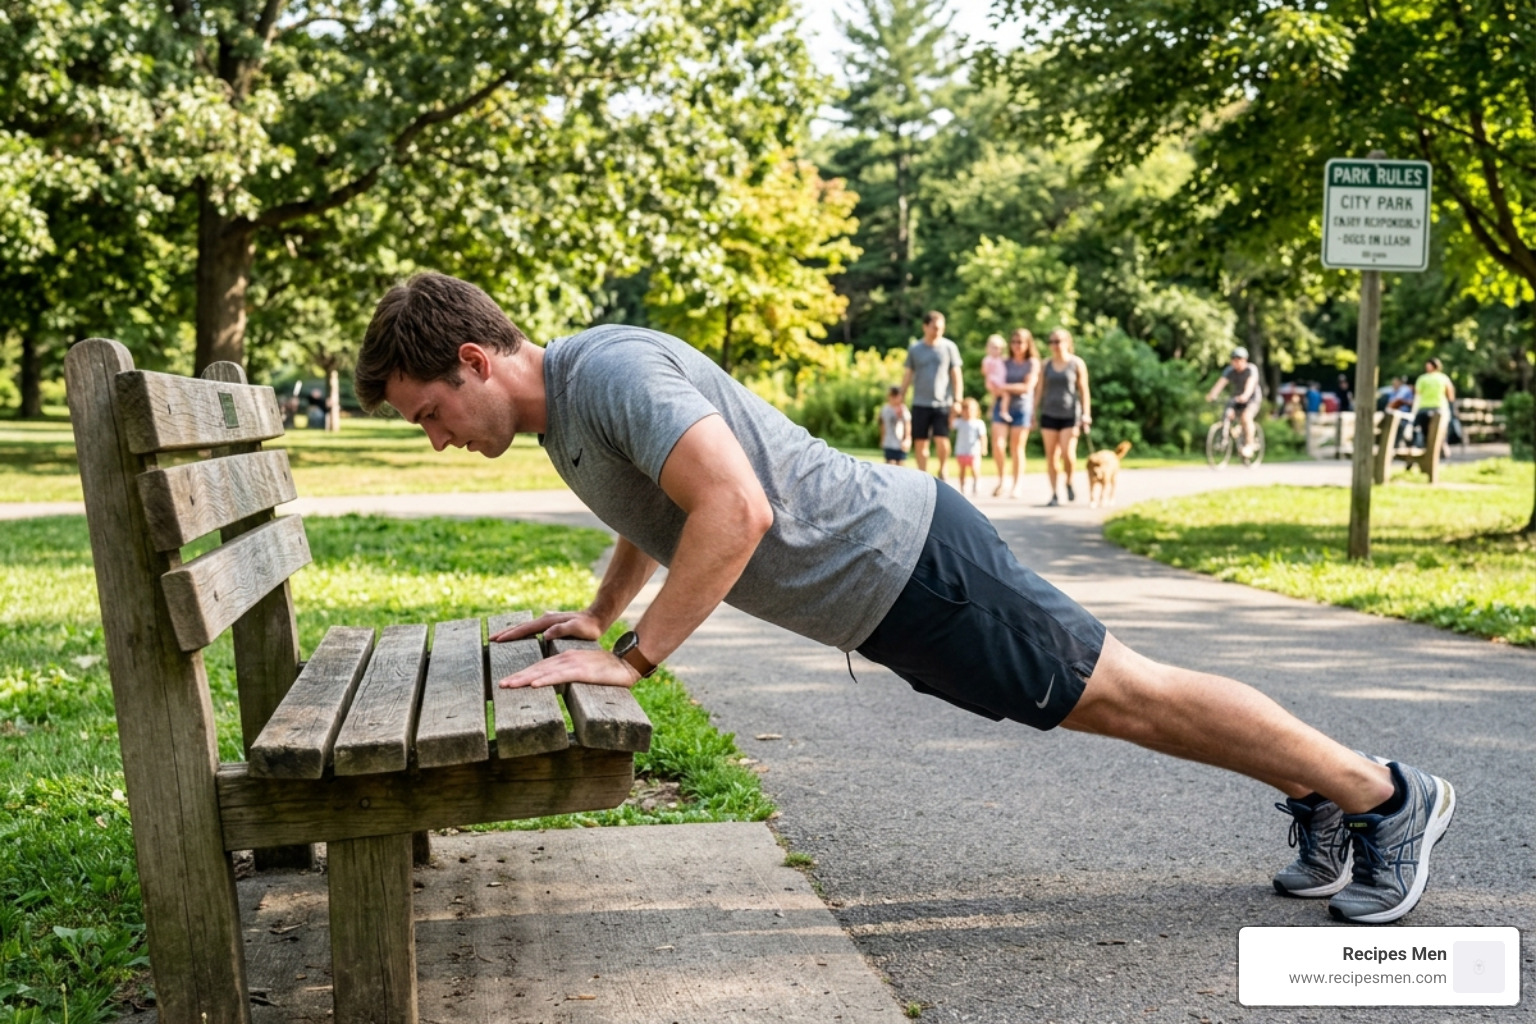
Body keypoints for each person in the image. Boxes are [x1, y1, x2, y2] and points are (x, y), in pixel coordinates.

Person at [353, 272, 1456, 926]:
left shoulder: (611, 374)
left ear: (473, 360)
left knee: (1132, 695)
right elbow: (665, 512)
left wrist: (634, 660)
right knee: (1121, 701)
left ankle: (1383, 794)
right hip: (891, 588)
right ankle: (1325, 792)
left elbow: (734, 512)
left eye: (428, 413)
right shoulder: (571, 414)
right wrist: (600, 614)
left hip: (916, 565)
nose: (437, 436)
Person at [900, 311, 964, 481]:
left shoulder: (949, 347)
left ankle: (943, 469)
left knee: (942, 440)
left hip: (943, 402)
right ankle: (924, 476)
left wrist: (958, 400)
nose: (938, 331)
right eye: (935, 328)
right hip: (920, 402)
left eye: (941, 328)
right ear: (925, 327)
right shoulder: (915, 349)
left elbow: (956, 375)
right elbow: (908, 374)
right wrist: (901, 396)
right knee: (920, 442)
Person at [1033, 328, 1090, 506]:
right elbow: (1039, 390)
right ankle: (1054, 493)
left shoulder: (1076, 363)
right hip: (1049, 413)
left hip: (1070, 415)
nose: (1055, 345)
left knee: (1068, 454)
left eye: (1058, 341)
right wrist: (1033, 413)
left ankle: (1069, 482)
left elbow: (1084, 391)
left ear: (1067, 342)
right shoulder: (1045, 365)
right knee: (1051, 456)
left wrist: (1086, 414)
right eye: (1052, 342)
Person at [992, 329, 1040, 499]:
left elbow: (1027, 387)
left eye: (1020, 342)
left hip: (1022, 408)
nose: (1017, 345)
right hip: (1001, 406)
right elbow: (992, 383)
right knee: (998, 445)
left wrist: (1004, 387)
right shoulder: (1003, 362)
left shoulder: (1032, 363)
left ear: (1028, 344)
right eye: (1014, 342)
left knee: (1017, 447)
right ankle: (1002, 480)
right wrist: (1002, 388)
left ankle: (1017, 484)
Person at [1206, 347, 1262, 459]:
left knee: (1246, 417)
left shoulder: (1251, 369)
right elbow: (1221, 383)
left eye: (1239, 360)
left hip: (1252, 398)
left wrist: (1246, 395)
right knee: (1227, 413)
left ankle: (1249, 445)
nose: (1236, 362)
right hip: (1237, 397)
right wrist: (1212, 395)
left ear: (1245, 360)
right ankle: (1225, 438)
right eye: (1234, 359)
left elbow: (1250, 384)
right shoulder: (1230, 371)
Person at [1411, 358, 1456, 453]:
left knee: (1421, 430)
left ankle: (1421, 447)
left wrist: (1414, 410)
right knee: (1442, 428)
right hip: (1440, 407)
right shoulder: (1444, 378)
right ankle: (1443, 445)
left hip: (1423, 408)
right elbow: (1451, 395)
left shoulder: (1422, 378)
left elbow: (1417, 394)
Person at [951, 397, 988, 495]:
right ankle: (962, 486)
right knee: (962, 470)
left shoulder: (979, 423)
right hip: (961, 450)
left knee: (975, 468)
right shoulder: (960, 422)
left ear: (976, 411)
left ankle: (976, 483)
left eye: (971, 410)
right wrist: (954, 412)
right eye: (965, 409)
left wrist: (984, 447)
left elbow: (983, 437)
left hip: (974, 451)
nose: (968, 412)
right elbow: (951, 425)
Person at [879, 386, 912, 467]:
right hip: (889, 442)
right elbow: (883, 425)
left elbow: (907, 424)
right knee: (889, 465)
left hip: (900, 444)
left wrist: (907, 438)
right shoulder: (885, 409)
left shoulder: (903, 409)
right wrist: (882, 439)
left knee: (900, 466)